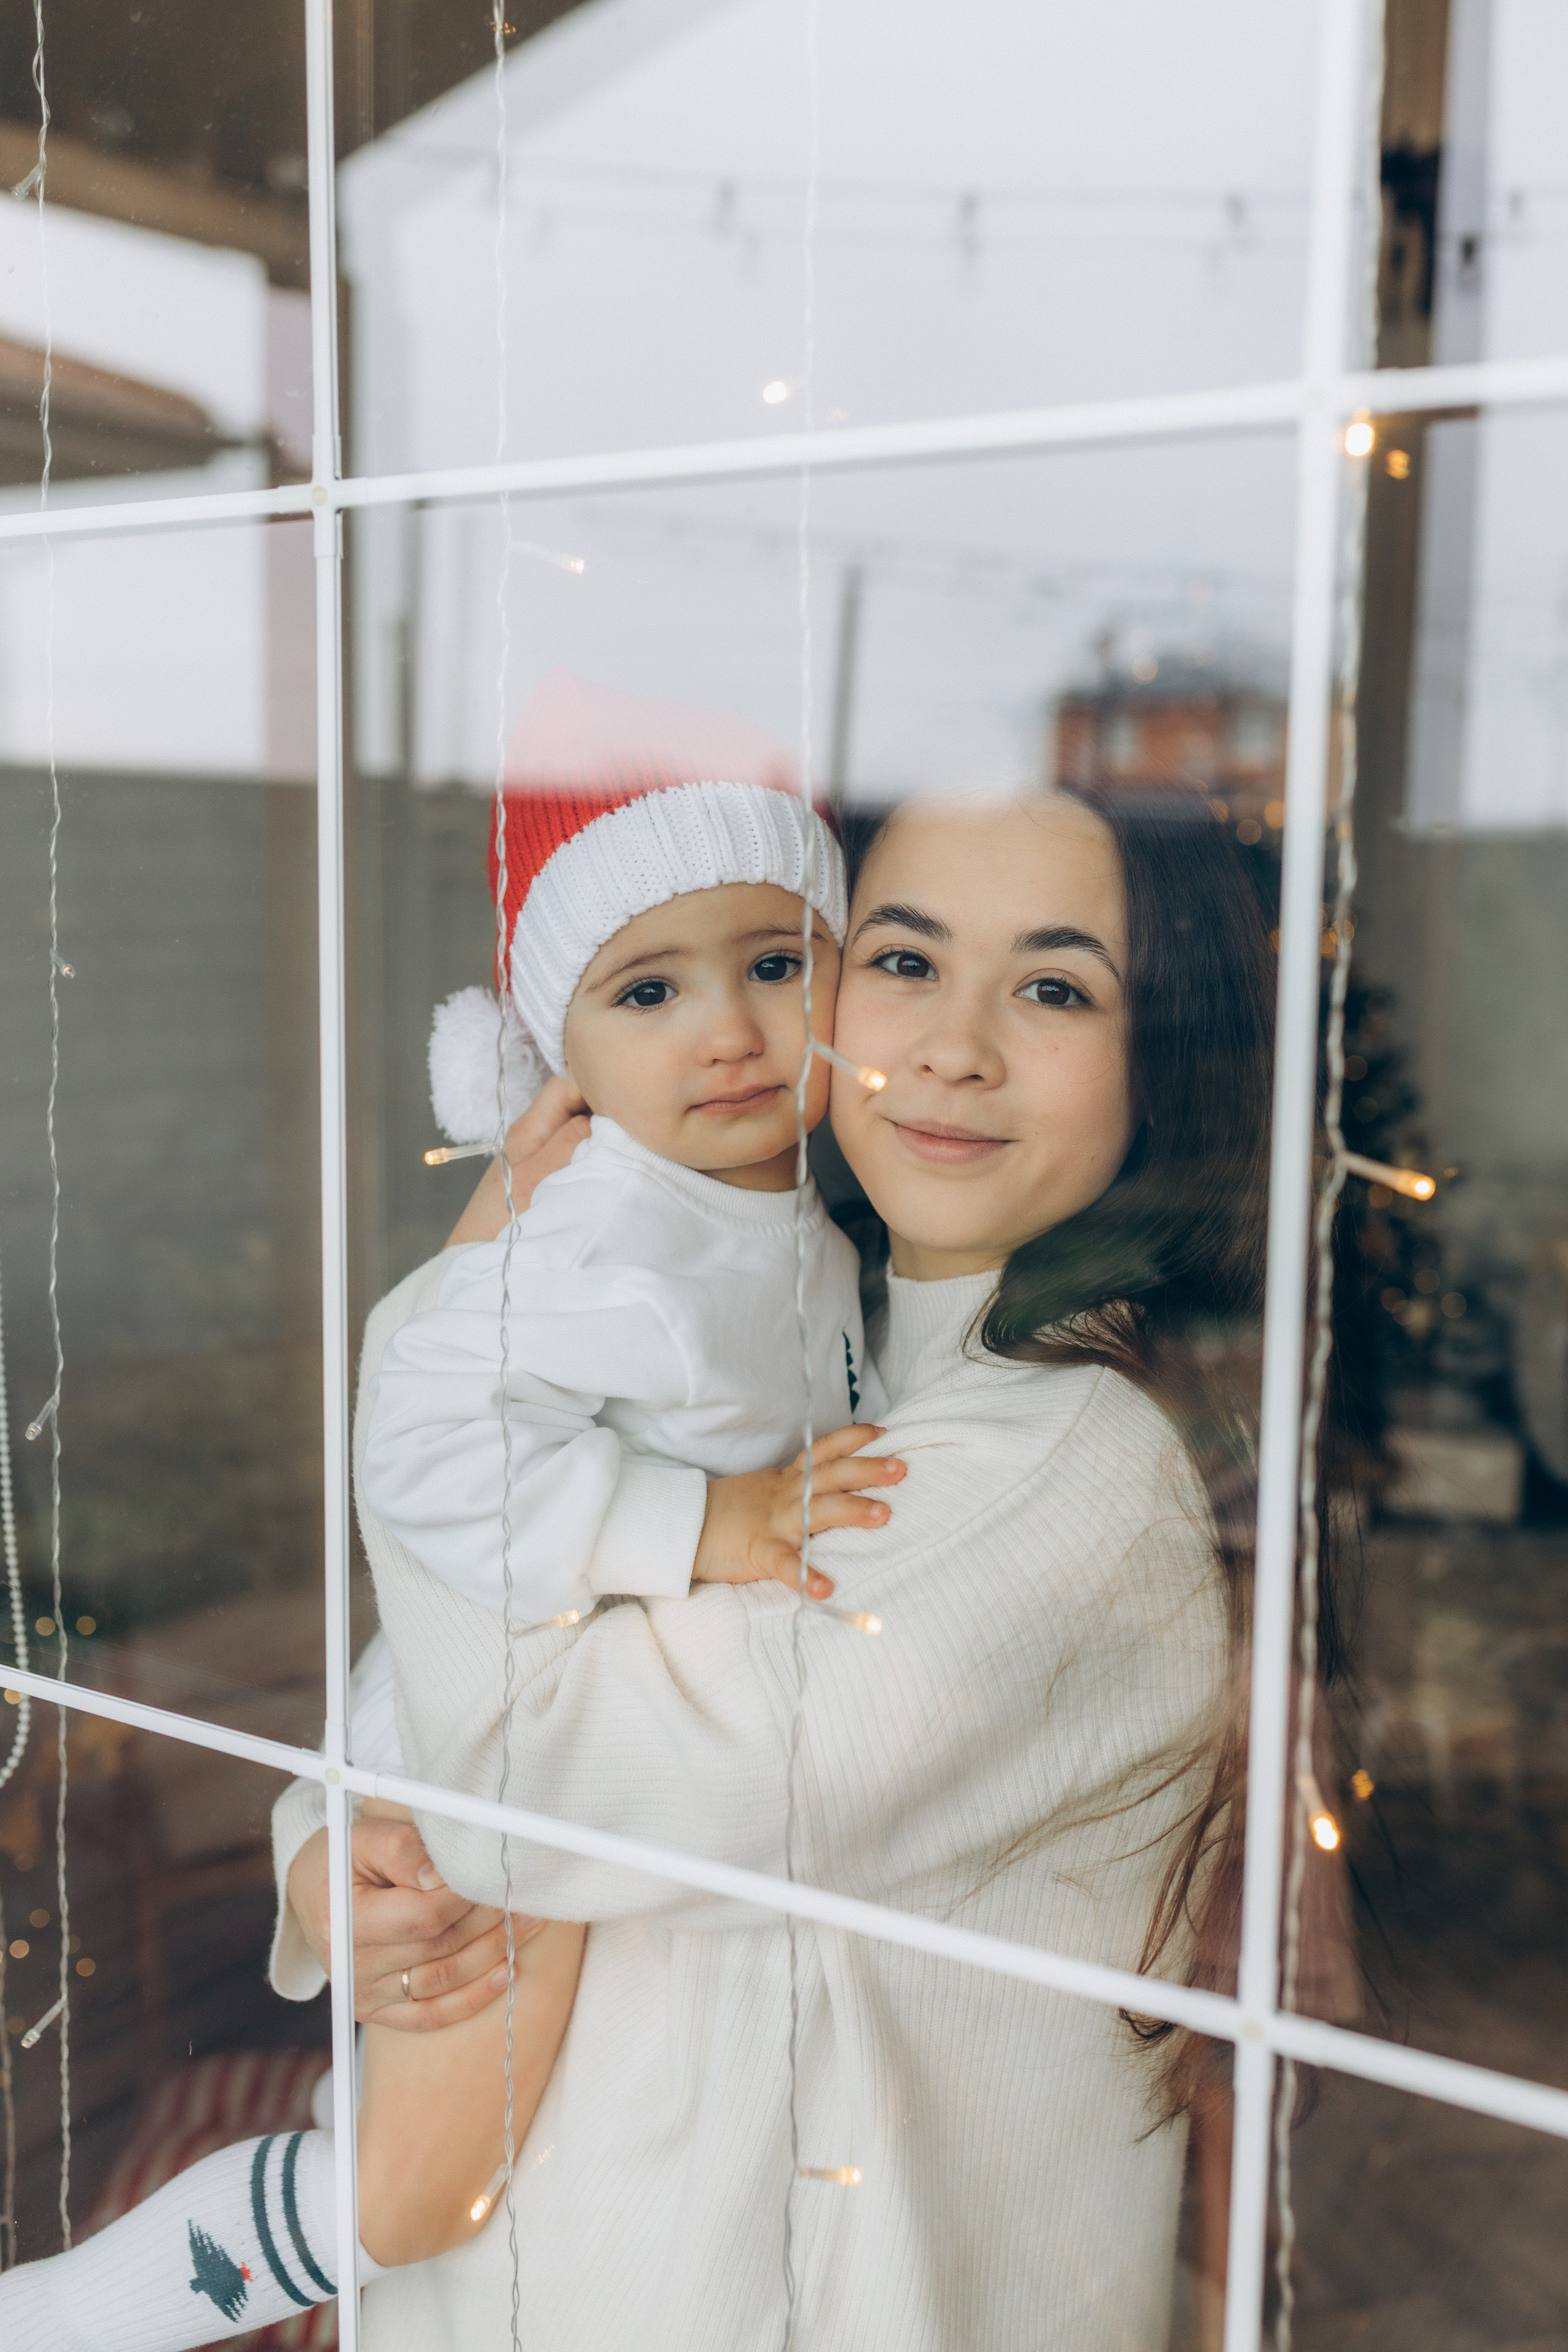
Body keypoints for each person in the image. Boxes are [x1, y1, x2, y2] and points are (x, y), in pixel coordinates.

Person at [273, 781, 1297, 2351]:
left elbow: (526, 1776)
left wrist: (449, 1326)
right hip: (573, 2261)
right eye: (902, 962)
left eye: (1050, 988)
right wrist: (335, 1846)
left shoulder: (1061, 1468)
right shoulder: (829, 1332)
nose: (951, 1048)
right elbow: (529, 1678)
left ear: (1171, 1051)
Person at [0, 697, 905, 2352]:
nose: (731, 1030)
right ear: (552, 1048)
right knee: (411, 2191)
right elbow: (418, 1436)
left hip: (587, 1754)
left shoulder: (796, 1224)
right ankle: (69, 2316)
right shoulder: (609, 1226)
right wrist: (706, 1519)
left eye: (777, 963)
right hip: (480, 1757)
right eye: (648, 991)